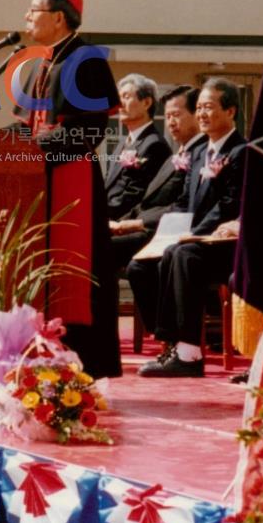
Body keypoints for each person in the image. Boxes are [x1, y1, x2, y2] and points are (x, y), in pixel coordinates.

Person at [10, 0, 122, 378]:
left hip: (72, 184)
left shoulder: (86, 60)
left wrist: (35, 148)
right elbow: (30, 123)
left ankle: (84, 363)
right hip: (41, 183)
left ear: (58, 17)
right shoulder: (42, 60)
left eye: (33, 10)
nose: (26, 17)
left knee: (76, 276)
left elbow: (89, 131)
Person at [134, 78, 247, 378]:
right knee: (162, 255)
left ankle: (190, 353)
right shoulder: (198, 154)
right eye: (199, 108)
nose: (202, 115)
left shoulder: (240, 152)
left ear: (231, 111)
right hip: (196, 238)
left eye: (209, 107)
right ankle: (173, 345)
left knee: (183, 255)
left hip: (227, 242)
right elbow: (185, 201)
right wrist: (170, 230)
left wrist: (196, 232)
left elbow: (229, 205)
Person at [109, 85, 205, 273]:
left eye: (176, 115)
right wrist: (119, 224)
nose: (170, 122)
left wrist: (133, 224)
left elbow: (183, 205)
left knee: (102, 248)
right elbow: (147, 200)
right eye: (168, 116)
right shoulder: (174, 157)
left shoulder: (202, 155)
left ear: (197, 114)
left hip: (163, 231)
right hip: (142, 227)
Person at [105, 74, 168, 220]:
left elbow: (134, 195)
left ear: (146, 103)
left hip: (127, 223)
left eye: (126, 96)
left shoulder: (154, 145)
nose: (120, 104)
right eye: (119, 97)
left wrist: (98, 214)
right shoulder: (122, 143)